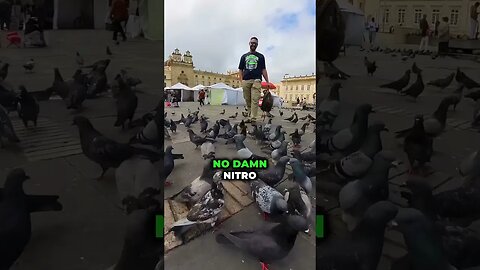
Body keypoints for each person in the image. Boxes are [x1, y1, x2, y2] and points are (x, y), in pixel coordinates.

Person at [238, 36, 270, 124]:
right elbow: (240, 69)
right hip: (246, 80)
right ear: (249, 43)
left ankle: (253, 118)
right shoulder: (244, 56)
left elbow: (263, 69)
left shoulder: (261, 56)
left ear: (257, 45)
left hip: (257, 80)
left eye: (255, 43)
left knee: (255, 99)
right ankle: (249, 115)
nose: (253, 44)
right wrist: (241, 81)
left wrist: (267, 81)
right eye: (252, 43)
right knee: (247, 99)